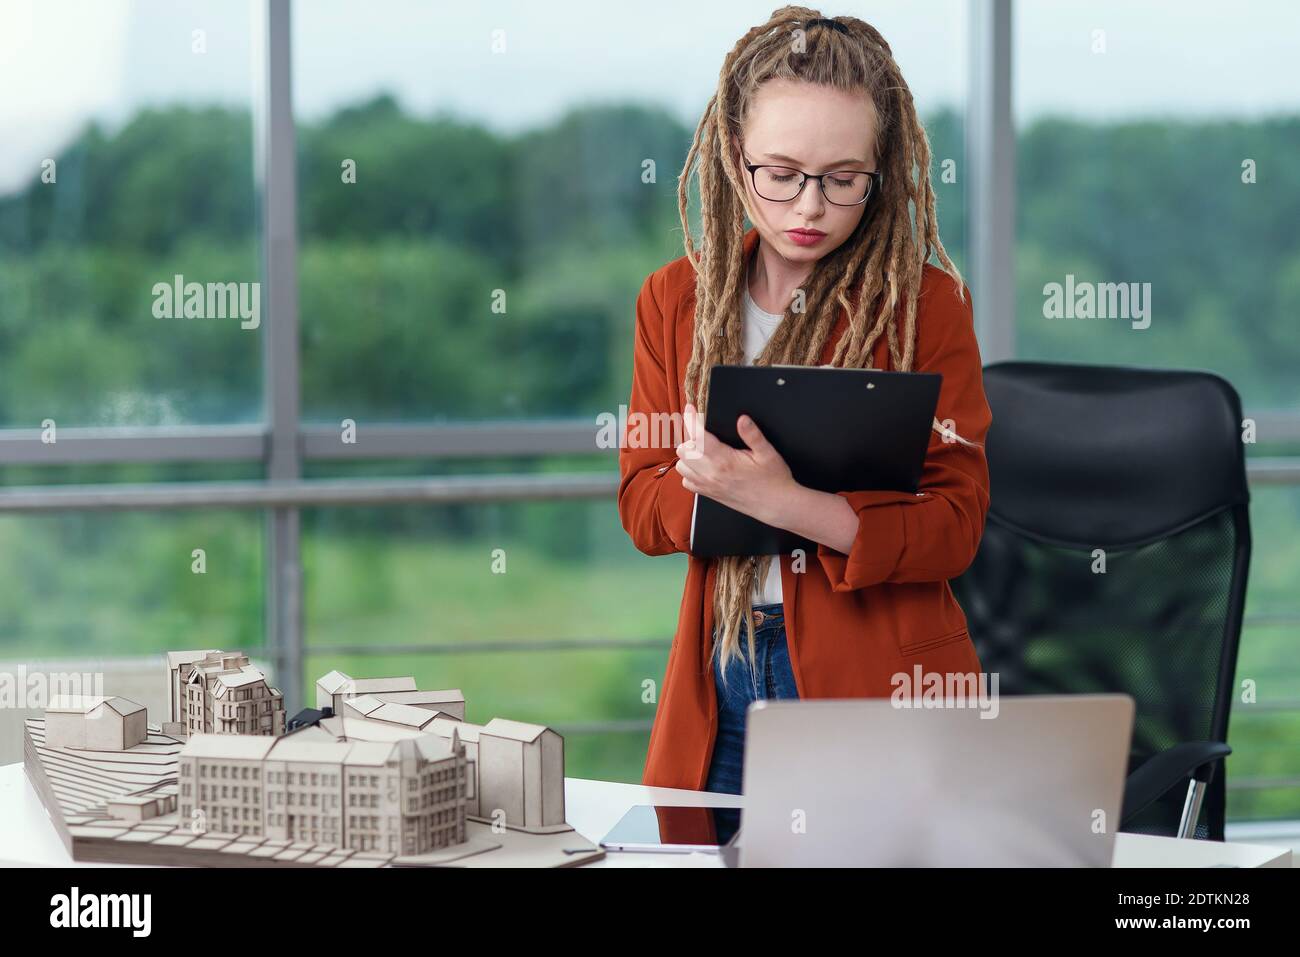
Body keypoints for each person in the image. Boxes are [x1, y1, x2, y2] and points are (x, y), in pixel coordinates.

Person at [617, 8, 991, 794]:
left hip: (880, 676)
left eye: (843, 179)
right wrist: (702, 482)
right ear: (732, 155)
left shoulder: (927, 305)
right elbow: (642, 504)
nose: (810, 207)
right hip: (723, 669)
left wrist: (783, 501)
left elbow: (953, 528)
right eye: (781, 174)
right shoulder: (673, 300)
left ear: (881, 170)